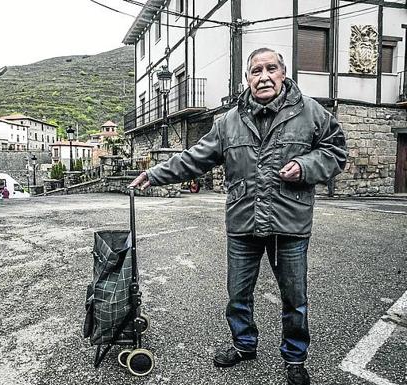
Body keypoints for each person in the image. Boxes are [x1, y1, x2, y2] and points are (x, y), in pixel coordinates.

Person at [130, 48, 347, 385]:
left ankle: (294, 357)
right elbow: (195, 157)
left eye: (270, 68)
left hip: (290, 224)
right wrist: (155, 174)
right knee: (238, 295)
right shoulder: (229, 121)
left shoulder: (311, 113)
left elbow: (335, 151)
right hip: (243, 223)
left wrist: (306, 167)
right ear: (247, 78)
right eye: (255, 70)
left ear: (283, 72)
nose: (263, 76)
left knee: (295, 298)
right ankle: (244, 345)